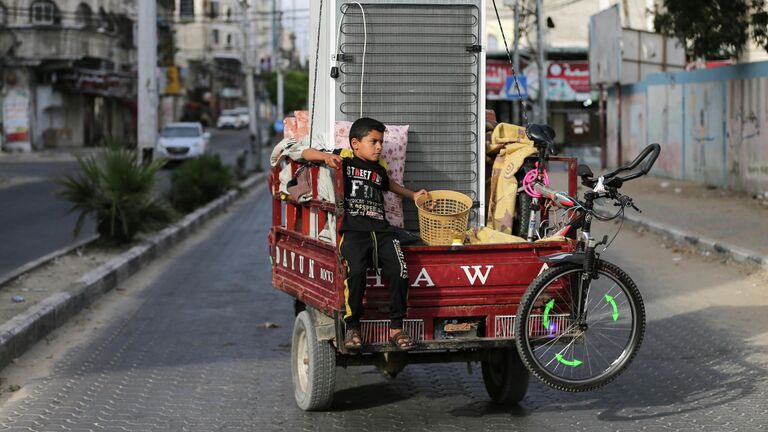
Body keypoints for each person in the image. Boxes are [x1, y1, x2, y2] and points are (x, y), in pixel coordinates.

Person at [301, 117, 429, 351]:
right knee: (356, 272)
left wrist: (412, 195)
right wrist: (326, 157)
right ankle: (353, 327)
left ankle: (396, 328)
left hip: (382, 230)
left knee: (400, 271)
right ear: (356, 143)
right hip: (354, 231)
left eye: (381, 142)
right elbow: (307, 153)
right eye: (374, 142)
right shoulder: (345, 159)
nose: (379, 147)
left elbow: (389, 185)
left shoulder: (380, 168)